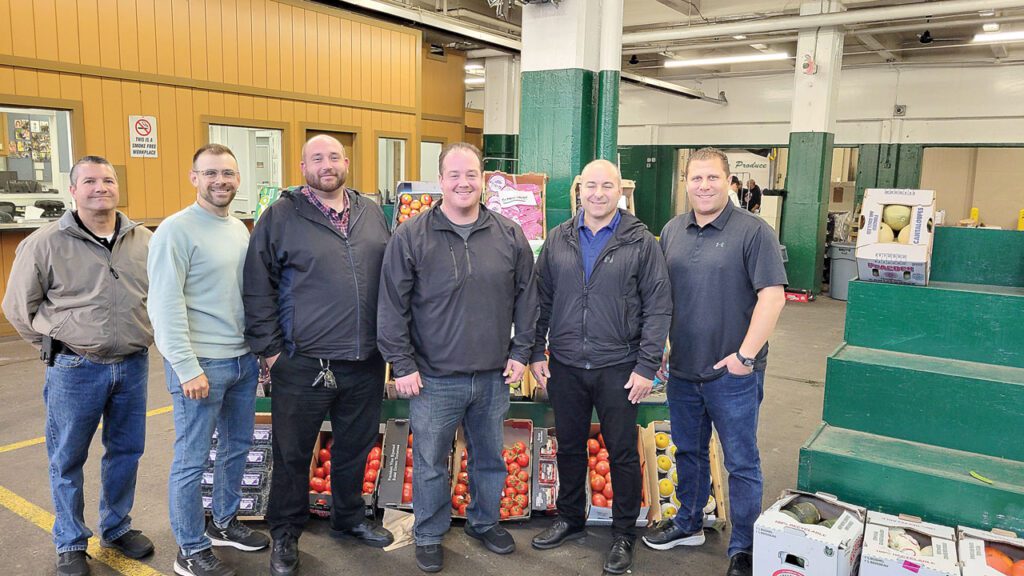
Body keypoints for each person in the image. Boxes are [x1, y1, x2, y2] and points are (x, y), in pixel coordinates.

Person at [377, 142, 538, 574]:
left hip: (492, 375)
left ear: (482, 179)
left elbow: (529, 298)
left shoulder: (508, 234)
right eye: (455, 175)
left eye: (472, 174)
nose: (464, 183)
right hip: (433, 378)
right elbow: (393, 305)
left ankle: (484, 522)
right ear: (441, 179)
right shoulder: (411, 235)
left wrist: (522, 352)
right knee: (430, 461)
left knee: (489, 457)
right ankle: (429, 533)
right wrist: (403, 364)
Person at [244, 135, 394, 576]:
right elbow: (257, 287)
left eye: (333, 157)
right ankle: (286, 533)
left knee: (355, 446)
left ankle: (348, 519)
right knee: (293, 452)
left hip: (364, 361)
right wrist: (271, 352)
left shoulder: (371, 213)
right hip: (303, 361)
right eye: (317, 159)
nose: (326, 165)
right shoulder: (281, 216)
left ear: (346, 161)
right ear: (302, 165)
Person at [2, 156, 155, 576]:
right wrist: (54, 346)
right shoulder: (44, 242)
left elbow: (156, 296)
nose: (100, 187)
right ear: (73, 190)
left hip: (133, 364)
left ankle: (117, 526)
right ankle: (70, 541)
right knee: (67, 457)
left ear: (118, 187)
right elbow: (17, 308)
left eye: (108, 180)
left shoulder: (143, 240)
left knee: (126, 451)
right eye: (89, 181)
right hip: (75, 368)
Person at [643, 148, 787, 576]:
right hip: (684, 371)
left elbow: (773, 296)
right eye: (695, 178)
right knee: (688, 451)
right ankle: (688, 521)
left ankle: (743, 546)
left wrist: (744, 356)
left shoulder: (753, 232)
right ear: (685, 183)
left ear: (729, 182)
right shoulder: (672, 231)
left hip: (733, 374)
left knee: (741, 461)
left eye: (712, 178)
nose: (703, 186)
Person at [529, 159, 671, 574]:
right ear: (579, 191)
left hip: (619, 365)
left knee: (622, 452)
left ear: (619, 191)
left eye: (606, 185)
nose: (597, 193)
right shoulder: (559, 239)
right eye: (590, 185)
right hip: (568, 365)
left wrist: (647, 366)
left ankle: (623, 533)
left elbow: (658, 307)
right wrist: (538, 351)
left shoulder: (641, 242)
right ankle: (570, 518)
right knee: (570, 446)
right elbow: (542, 300)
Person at [148, 144, 270, 576]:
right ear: (193, 177)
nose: (221, 180)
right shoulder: (174, 231)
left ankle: (224, 521)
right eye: (211, 173)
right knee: (192, 459)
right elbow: (163, 306)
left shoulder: (239, 228)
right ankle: (190, 547)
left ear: (239, 179)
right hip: (202, 365)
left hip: (241, 361)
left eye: (228, 173)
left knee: (236, 447)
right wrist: (186, 366)